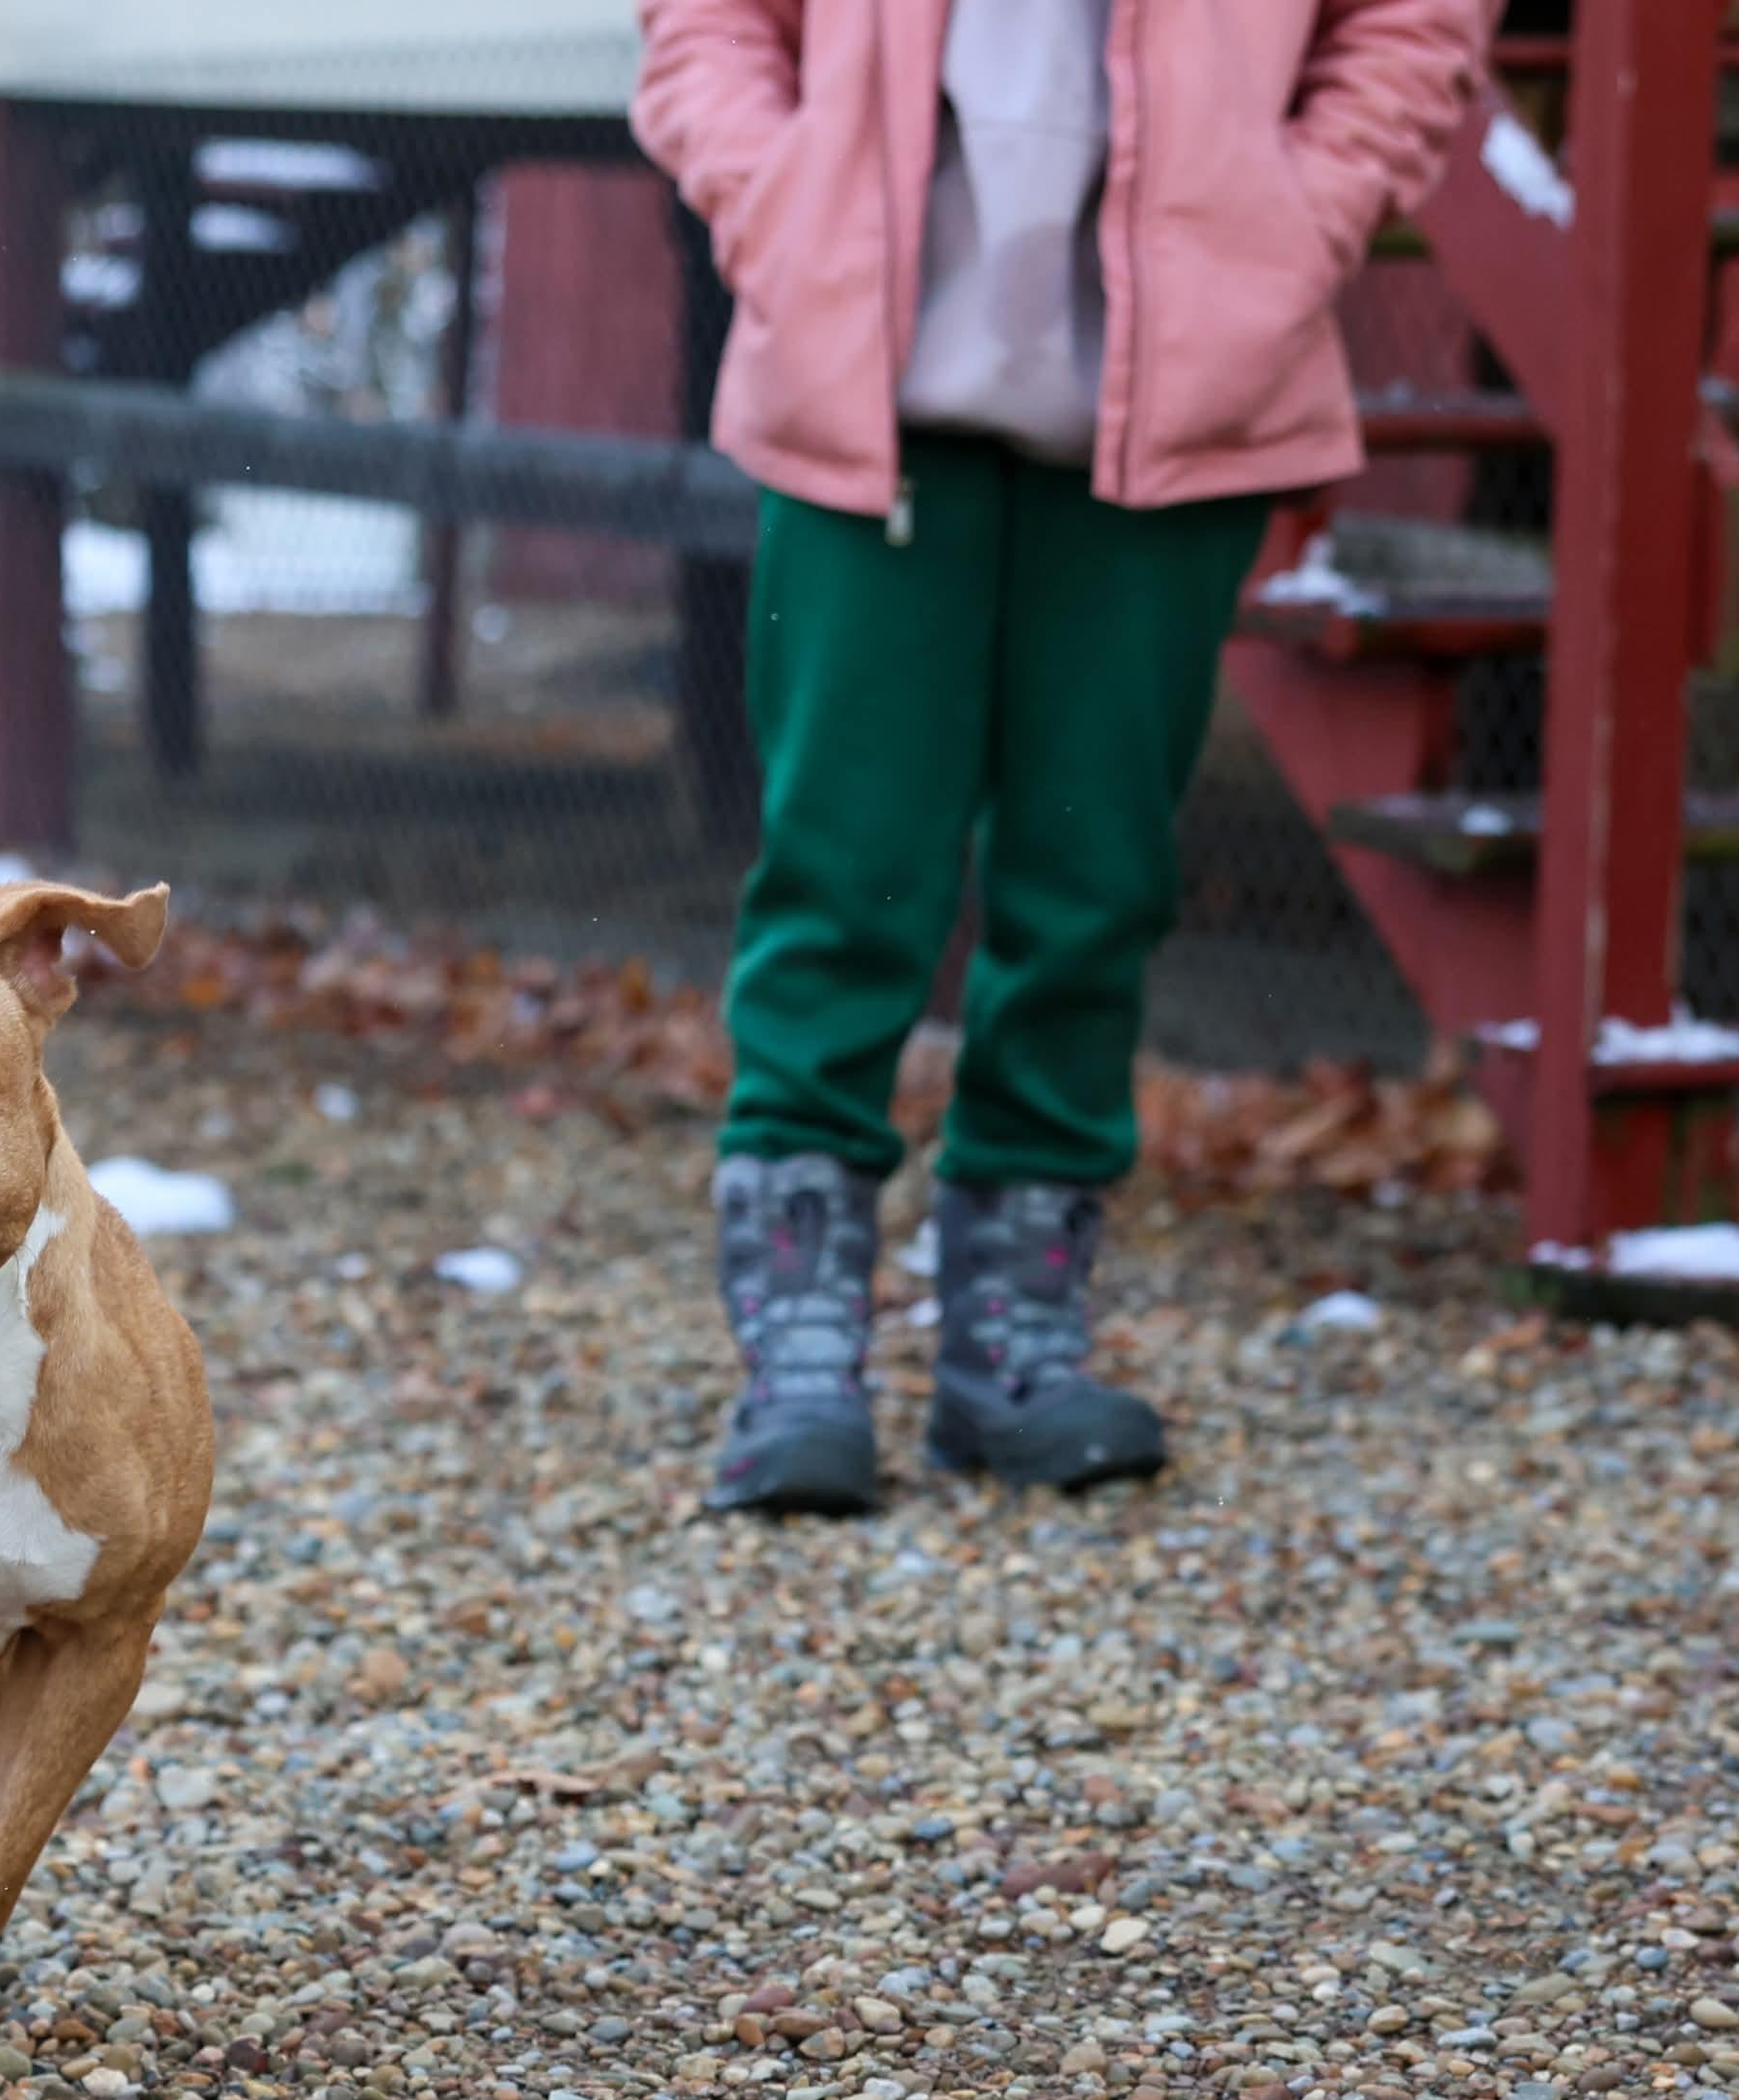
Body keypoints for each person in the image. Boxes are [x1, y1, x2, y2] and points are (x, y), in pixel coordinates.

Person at [634, 0, 1485, 1513]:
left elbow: (1414, 24)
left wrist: (1301, 222)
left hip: (1179, 397)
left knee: (1095, 875)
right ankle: (800, 1352)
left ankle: (1016, 1339)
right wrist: (778, 203)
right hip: (863, 388)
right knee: (846, 865)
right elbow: (707, 23)